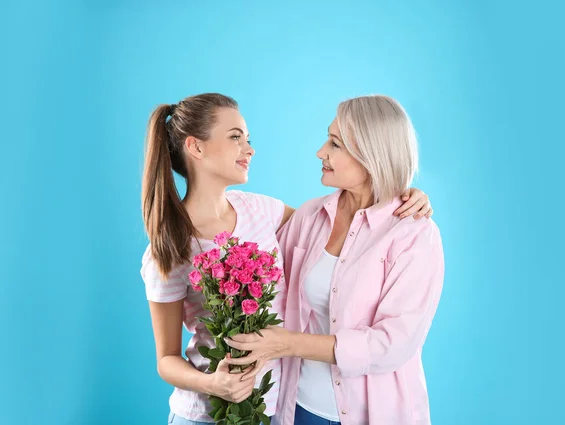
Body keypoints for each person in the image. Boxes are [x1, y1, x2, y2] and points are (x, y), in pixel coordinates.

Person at [140, 93, 434, 424]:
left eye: (247, 138)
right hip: (214, 414)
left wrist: (404, 195)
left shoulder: (260, 213)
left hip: (275, 409)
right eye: (235, 137)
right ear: (196, 147)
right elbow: (166, 356)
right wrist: (213, 383)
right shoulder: (169, 247)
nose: (249, 149)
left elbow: (393, 338)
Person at [224, 95, 444, 425]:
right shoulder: (310, 216)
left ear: (372, 154)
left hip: (375, 415)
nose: (320, 152)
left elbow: (392, 344)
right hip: (298, 410)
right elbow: (266, 283)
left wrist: (286, 344)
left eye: (335, 143)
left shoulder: (413, 234)